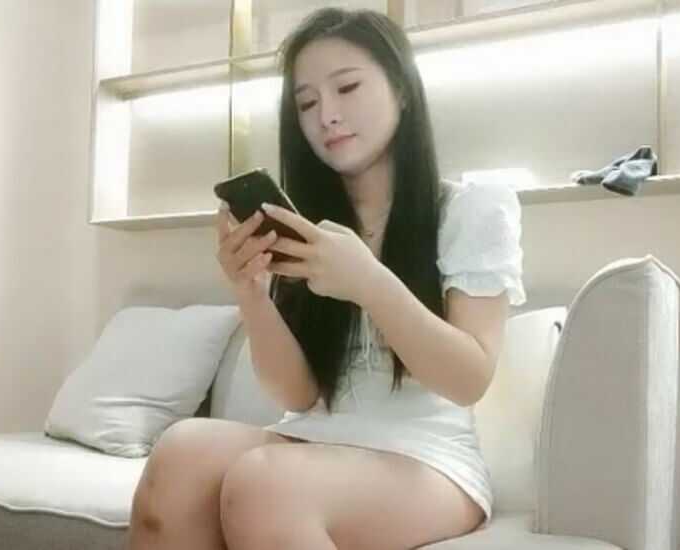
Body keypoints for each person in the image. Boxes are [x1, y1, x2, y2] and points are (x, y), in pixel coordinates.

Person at [127, 6, 526, 550]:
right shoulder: (306, 225)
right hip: (316, 436)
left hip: (428, 457)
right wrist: (251, 294)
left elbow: (468, 378)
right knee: (180, 453)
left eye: (348, 88)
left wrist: (368, 280)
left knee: (265, 484)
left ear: (401, 90)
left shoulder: (470, 208)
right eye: (307, 103)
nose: (327, 116)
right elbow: (298, 394)